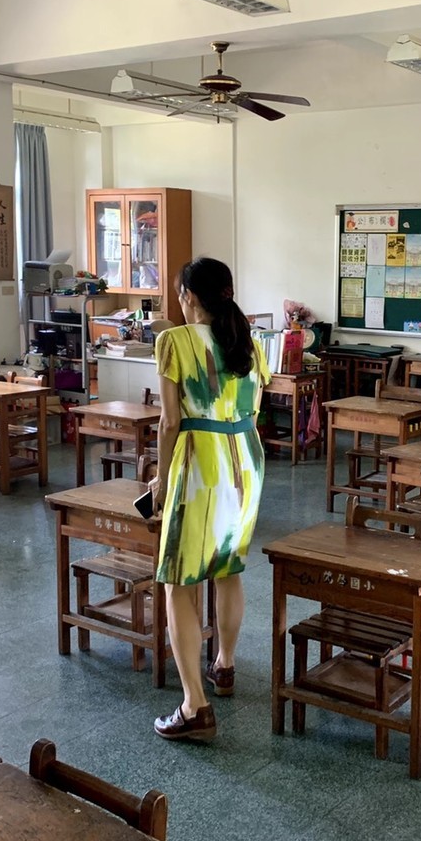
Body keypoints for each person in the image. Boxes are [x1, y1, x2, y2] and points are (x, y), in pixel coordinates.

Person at [148, 259, 270, 741]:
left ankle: (194, 706)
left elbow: (169, 422)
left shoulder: (174, 341)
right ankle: (225, 664)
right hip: (246, 464)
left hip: (201, 466)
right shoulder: (249, 343)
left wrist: (161, 479)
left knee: (178, 582)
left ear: (190, 297)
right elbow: (255, 409)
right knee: (227, 568)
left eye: (181, 293)